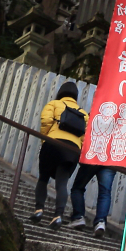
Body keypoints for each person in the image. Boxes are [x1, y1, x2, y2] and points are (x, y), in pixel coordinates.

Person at [32, 81, 86, 228]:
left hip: (53, 144)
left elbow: (46, 120)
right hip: (72, 150)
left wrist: (45, 139)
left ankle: (39, 210)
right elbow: (85, 137)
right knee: (62, 183)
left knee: (43, 178)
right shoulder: (83, 113)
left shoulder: (54, 104)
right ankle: (58, 215)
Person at [67, 157, 117, 236]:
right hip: (111, 160)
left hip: (94, 155)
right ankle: (100, 222)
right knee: (105, 193)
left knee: (77, 188)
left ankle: (78, 217)